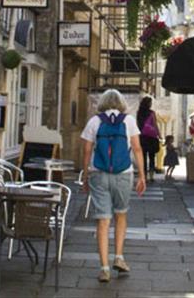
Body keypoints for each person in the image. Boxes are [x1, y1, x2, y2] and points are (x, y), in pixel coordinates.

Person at [80, 89, 146, 282]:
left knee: (103, 220)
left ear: (102, 103)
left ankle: (104, 268)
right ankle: (119, 257)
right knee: (121, 214)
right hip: (123, 174)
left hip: (98, 173)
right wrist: (142, 176)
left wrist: (85, 176)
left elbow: (86, 150)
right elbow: (137, 148)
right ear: (121, 103)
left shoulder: (94, 121)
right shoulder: (129, 121)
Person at [136, 96, 160, 181]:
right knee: (152, 156)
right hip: (151, 137)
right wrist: (159, 135)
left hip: (142, 137)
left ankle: (144, 176)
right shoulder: (151, 113)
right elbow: (155, 124)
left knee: (143, 157)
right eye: (150, 103)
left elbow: (138, 125)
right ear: (148, 104)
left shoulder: (139, 113)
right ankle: (151, 176)